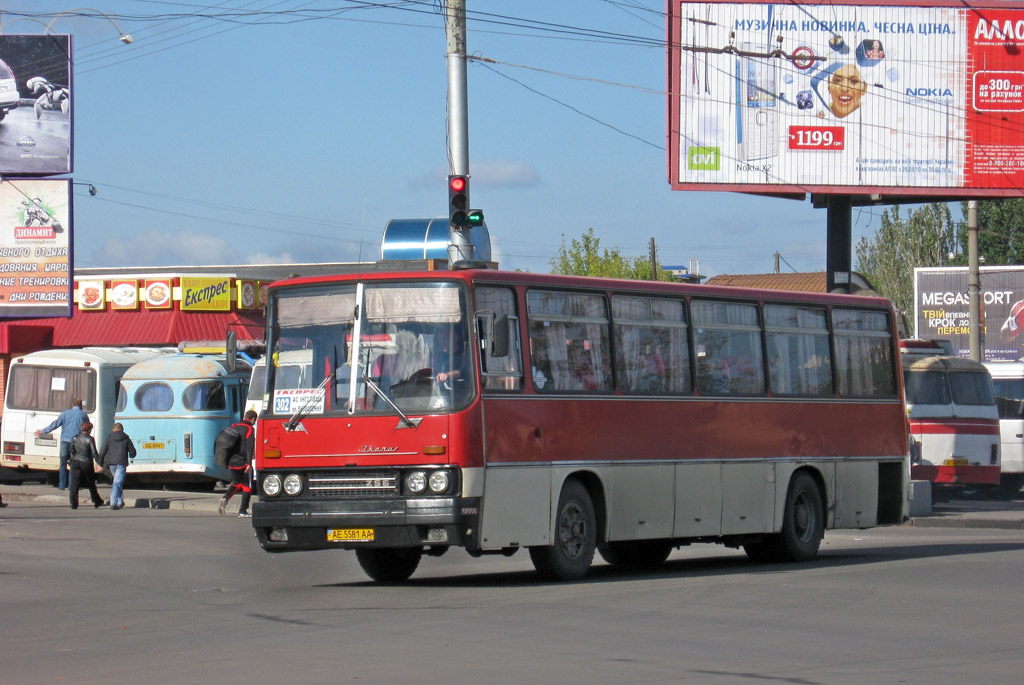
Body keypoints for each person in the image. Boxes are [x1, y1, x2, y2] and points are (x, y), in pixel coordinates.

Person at [35, 398, 88, 490]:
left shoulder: (64, 413)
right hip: (76, 442)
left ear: (72, 405)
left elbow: (55, 424)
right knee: (73, 465)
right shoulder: (83, 415)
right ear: (81, 406)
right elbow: (87, 427)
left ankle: (62, 485)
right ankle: (72, 486)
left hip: (64, 441)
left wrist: (43, 431)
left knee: (63, 463)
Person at [218, 410, 257, 518]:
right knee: (247, 486)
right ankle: (242, 510)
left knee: (236, 483)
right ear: (252, 419)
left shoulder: (233, 426)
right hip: (243, 462)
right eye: (255, 420)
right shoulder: (249, 429)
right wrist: (249, 463)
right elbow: (249, 447)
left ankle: (225, 498)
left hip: (232, 462)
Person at [99, 422, 136, 511]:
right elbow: (133, 453)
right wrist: (131, 454)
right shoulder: (126, 438)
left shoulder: (109, 438)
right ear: (122, 430)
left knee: (117, 482)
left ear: (113, 430)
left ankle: (120, 502)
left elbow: (102, 451)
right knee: (117, 483)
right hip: (121, 463)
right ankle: (113, 503)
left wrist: (100, 463)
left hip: (111, 463)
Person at [68, 422, 104, 510]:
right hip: (86, 462)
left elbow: (71, 450)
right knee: (91, 483)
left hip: (75, 462)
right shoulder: (90, 439)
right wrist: (100, 463)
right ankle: (96, 501)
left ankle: (73, 503)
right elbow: (94, 453)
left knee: (74, 483)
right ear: (89, 430)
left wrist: (70, 460)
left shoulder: (75, 437)